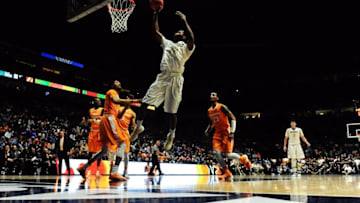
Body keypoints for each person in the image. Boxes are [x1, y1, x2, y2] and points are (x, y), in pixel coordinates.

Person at [131, 9, 195, 151]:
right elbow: (155, 31)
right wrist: (155, 14)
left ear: (184, 37)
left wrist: (184, 21)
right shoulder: (167, 43)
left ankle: (171, 135)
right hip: (162, 77)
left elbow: (192, 38)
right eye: (178, 31)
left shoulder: (186, 48)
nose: (179, 32)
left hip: (176, 79)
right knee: (144, 103)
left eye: (181, 32)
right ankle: (138, 127)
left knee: (171, 112)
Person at [77, 80, 141, 180]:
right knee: (123, 143)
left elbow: (119, 116)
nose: (116, 82)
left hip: (107, 120)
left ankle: (83, 168)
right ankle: (114, 172)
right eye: (115, 82)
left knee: (104, 151)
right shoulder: (112, 92)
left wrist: (126, 108)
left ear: (120, 88)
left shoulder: (118, 100)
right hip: (108, 120)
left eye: (119, 83)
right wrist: (135, 101)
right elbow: (116, 100)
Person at [204, 92, 251, 180]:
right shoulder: (209, 111)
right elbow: (211, 123)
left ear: (217, 98)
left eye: (213, 95)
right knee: (216, 153)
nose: (211, 96)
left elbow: (233, 117)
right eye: (210, 95)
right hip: (217, 134)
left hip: (226, 132)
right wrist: (207, 131)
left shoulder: (222, 107)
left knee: (227, 155)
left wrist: (232, 131)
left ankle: (243, 159)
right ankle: (227, 173)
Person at [116, 94, 137, 178]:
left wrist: (134, 126)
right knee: (114, 152)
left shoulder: (132, 113)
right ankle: (114, 171)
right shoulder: (119, 109)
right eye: (126, 99)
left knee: (126, 154)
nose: (126, 101)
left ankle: (125, 171)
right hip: (117, 132)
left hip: (125, 133)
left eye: (128, 100)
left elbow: (133, 124)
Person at [87, 98, 104, 176]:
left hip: (99, 132)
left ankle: (97, 170)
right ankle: (89, 169)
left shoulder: (102, 110)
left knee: (99, 152)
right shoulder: (90, 110)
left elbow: (104, 120)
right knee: (90, 152)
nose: (99, 102)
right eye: (97, 101)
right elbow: (87, 120)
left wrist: (98, 120)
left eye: (99, 101)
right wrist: (91, 120)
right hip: (92, 131)